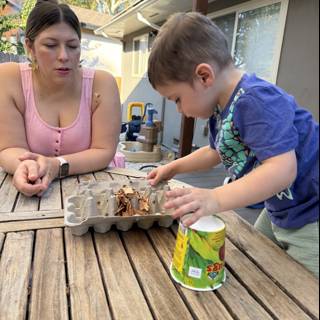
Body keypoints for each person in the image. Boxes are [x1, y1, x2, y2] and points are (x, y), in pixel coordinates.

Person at [147, 12, 319, 277]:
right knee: (256, 262)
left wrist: (214, 197)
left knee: (305, 293)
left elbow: (283, 169)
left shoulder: (256, 100)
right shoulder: (222, 108)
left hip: (311, 214)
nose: (180, 109)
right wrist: (173, 168)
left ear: (204, 76)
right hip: (281, 208)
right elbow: (216, 151)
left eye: (177, 99)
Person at [0, 0, 123, 197]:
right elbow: (10, 147)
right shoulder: (8, 78)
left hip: (95, 190)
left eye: (73, 46)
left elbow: (103, 150)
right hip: (34, 190)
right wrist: (27, 167)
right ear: (29, 47)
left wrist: (58, 165)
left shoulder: (102, 83)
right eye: (51, 45)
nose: (64, 56)